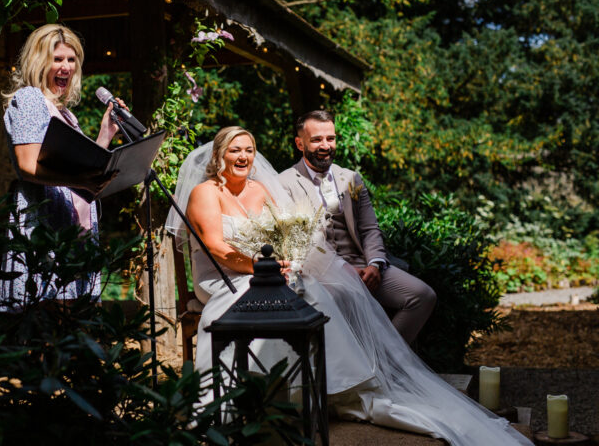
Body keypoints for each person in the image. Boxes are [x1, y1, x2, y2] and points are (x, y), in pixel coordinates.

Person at [166, 126, 531, 446]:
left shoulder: (261, 190)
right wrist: (263, 269)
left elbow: (285, 234)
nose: (243, 156)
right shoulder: (205, 193)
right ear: (219, 156)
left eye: (248, 149)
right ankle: (247, 397)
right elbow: (216, 246)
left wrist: (287, 261)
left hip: (263, 270)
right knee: (271, 297)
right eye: (235, 150)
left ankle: (315, 390)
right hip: (224, 277)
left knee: (310, 291)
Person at [278, 110, 436, 344]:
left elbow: (370, 228)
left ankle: (391, 360)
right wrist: (343, 270)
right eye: (316, 140)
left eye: (330, 139)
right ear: (300, 143)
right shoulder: (285, 182)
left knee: (422, 296)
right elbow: (299, 241)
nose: (325, 145)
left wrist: (374, 264)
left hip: (365, 267)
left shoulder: (351, 178)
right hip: (321, 273)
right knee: (343, 299)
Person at [0, 24, 125, 312]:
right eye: (58, 59)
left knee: (72, 330)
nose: (66, 67)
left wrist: (106, 134)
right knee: (48, 331)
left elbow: (78, 168)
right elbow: (28, 166)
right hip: (46, 229)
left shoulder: (64, 113)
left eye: (71, 60)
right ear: (38, 61)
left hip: (72, 233)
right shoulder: (30, 99)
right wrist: (83, 181)